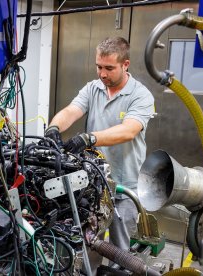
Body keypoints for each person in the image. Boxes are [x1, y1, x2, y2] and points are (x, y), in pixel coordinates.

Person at [45, 37, 155, 252]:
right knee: (88, 246)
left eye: (109, 68)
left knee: (120, 252)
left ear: (125, 65)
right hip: (92, 185)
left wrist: (89, 138)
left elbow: (129, 130)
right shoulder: (93, 88)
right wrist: (54, 128)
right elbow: (71, 111)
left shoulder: (141, 95)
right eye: (99, 67)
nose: (102, 74)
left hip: (124, 187)